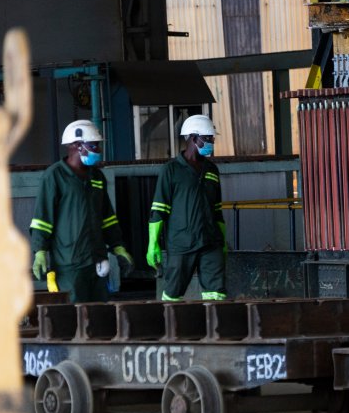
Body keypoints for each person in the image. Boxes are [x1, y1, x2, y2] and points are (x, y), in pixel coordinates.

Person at [30, 120, 134, 303]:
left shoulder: (97, 177)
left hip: (97, 263)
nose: (98, 151)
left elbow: (107, 218)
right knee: (73, 317)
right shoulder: (54, 176)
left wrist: (118, 247)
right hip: (69, 266)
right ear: (76, 146)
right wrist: (40, 251)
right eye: (93, 146)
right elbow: (42, 220)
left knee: (99, 317)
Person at [146, 114, 227, 301]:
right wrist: (153, 244)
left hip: (210, 242)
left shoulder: (212, 171)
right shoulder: (171, 170)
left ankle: (214, 328)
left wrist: (222, 243)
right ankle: (171, 328)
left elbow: (217, 211)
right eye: (207, 138)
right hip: (182, 244)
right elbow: (159, 210)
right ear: (192, 138)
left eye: (212, 138)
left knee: (217, 294)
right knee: (173, 294)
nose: (211, 142)